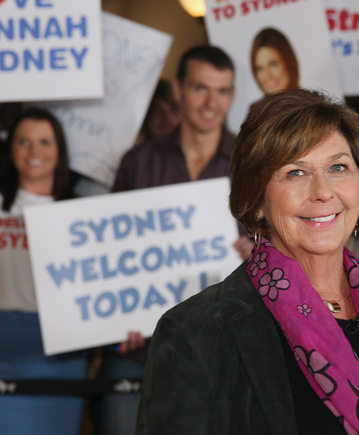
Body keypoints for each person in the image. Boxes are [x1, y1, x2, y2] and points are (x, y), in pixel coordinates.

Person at [136, 89, 359, 434]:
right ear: (256, 199)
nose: (323, 191)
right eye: (295, 173)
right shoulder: (196, 331)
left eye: (338, 167)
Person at [95, 44, 251, 435]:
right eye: (200, 88)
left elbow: (278, 242)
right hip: (140, 350)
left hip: (226, 349)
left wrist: (259, 253)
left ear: (232, 95)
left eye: (222, 90)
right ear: (179, 89)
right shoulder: (138, 161)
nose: (211, 102)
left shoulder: (251, 163)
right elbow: (108, 251)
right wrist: (118, 314)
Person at [0, 108, 87, 434]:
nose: (34, 152)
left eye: (44, 142)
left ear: (59, 151)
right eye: (24, 142)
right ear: (10, 150)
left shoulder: (84, 215)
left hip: (60, 357)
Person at [250, 27, 299, 95]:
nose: (267, 75)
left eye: (273, 64)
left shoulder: (311, 104)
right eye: (259, 68)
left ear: (289, 62)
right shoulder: (255, 106)